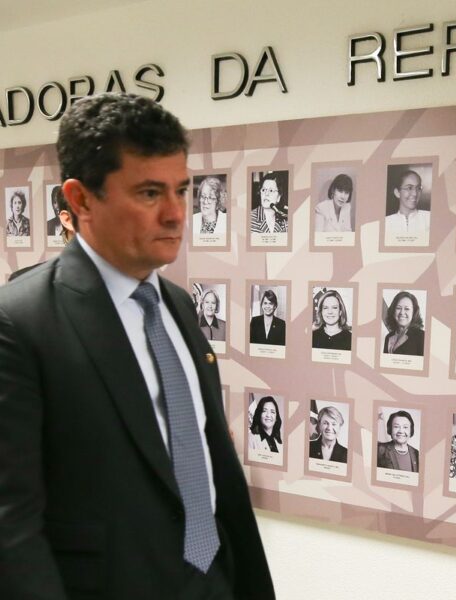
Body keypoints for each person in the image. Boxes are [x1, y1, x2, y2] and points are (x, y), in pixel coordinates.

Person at [0, 93, 273, 597]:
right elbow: (9, 521)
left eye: (182, 190)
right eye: (149, 193)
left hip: (214, 578)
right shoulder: (20, 321)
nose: (175, 214)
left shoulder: (178, 304)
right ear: (81, 200)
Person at [384, 169, 430, 234]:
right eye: (409, 188)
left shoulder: (430, 218)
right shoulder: (386, 222)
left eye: (418, 188)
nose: (415, 194)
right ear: (397, 193)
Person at [383, 290, 425, 356]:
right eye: (398, 308)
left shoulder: (421, 336)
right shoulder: (388, 337)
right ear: (393, 310)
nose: (402, 312)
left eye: (407, 309)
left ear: (414, 312)